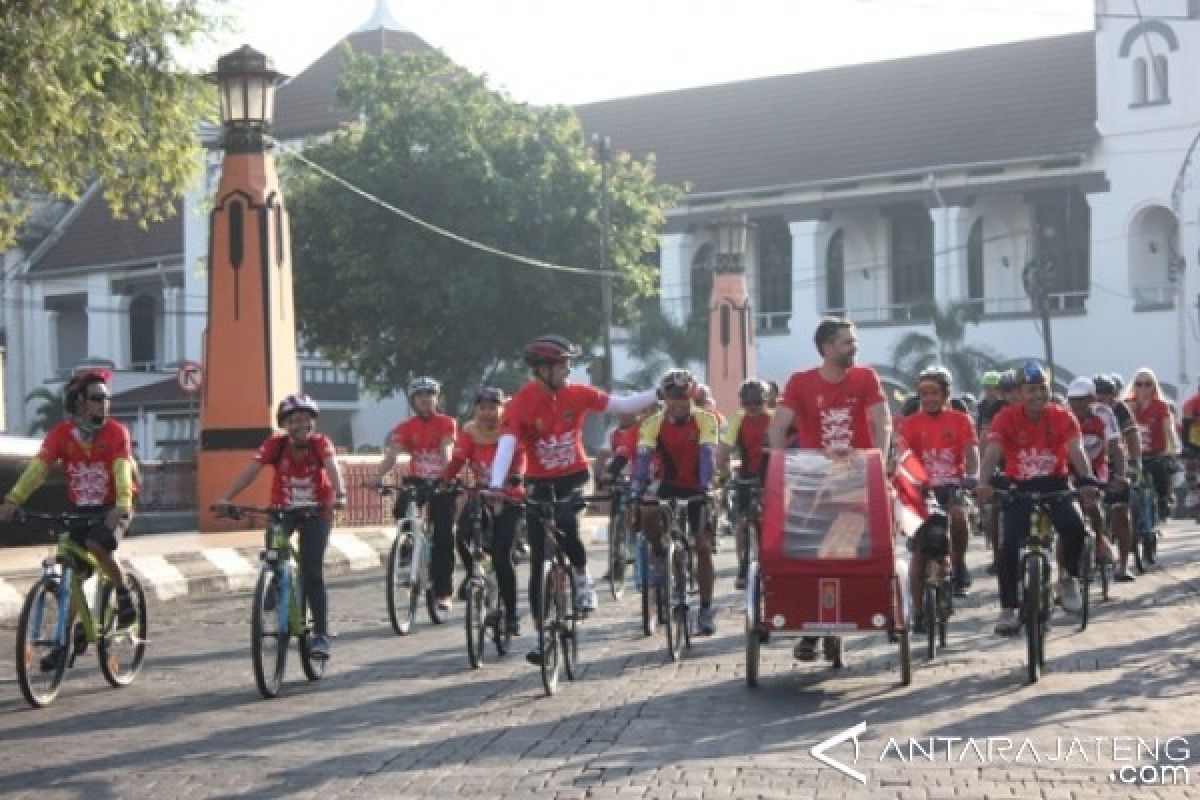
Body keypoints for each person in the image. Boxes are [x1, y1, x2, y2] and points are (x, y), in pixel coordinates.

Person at [488, 334, 657, 664]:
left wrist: (659, 392)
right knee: (539, 559)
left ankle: (581, 578)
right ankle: (540, 636)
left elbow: (622, 405)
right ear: (542, 369)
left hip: (574, 475)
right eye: (563, 363)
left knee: (566, 522)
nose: (569, 368)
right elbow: (507, 444)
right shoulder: (522, 401)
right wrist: (496, 484)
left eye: (568, 362)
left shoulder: (578, 394)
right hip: (539, 480)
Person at [767, 317, 891, 662]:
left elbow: (882, 421)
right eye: (846, 342)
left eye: (854, 341)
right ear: (827, 348)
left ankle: (848, 617)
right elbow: (779, 426)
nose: (854, 347)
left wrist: (878, 464)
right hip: (813, 482)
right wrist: (780, 470)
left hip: (857, 480)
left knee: (852, 551)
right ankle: (811, 629)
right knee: (807, 553)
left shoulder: (866, 378)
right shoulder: (801, 382)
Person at [0, 369, 139, 671]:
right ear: (78, 403)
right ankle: (63, 644)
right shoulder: (60, 435)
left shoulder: (116, 432)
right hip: (82, 509)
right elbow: (37, 469)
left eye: (106, 398)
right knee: (72, 575)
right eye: (96, 399)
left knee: (96, 543)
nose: (104, 404)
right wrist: (13, 500)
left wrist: (123, 504)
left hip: (114, 506)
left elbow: (121, 471)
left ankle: (123, 592)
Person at [215, 393, 347, 658]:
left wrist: (340, 494)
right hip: (282, 511)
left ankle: (320, 635)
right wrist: (227, 497)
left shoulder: (321, 443)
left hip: (316, 512)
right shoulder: (276, 445)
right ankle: (273, 596)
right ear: (285, 425)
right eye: (295, 420)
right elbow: (251, 470)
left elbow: (332, 467)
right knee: (274, 559)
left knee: (311, 573)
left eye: (308, 420)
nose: (303, 426)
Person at [975, 361, 1100, 636]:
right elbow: (993, 452)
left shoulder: (1063, 416)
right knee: (1007, 545)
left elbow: (1076, 451)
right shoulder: (1005, 418)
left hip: (1055, 484)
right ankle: (1008, 608)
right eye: (1031, 390)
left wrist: (1087, 480)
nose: (1037, 396)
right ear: (1020, 392)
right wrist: (983, 483)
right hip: (1017, 487)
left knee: (1075, 526)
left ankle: (1068, 578)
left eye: (1042, 389)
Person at [633, 369, 720, 634]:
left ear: (691, 397)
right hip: (669, 484)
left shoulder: (706, 420)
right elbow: (644, 458)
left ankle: (705, 609)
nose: (679, 406)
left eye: (684, 400)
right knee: (647, 510)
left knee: (702, 546)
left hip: (696, 485)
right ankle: (661, 554)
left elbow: (707, 456)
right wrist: (638, 487)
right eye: (673, 400)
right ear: (665, 399)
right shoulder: (652, 423)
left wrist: (705, 486)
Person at [440, 387, 524, 634]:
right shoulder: (469, 432)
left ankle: (511, 615)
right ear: (475, 410)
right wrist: (444, 479)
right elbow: (457, 460)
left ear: (502, 410)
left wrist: (517, 476)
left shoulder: (510, 431)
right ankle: (475, 573)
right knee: (462, 536)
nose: (487, 413)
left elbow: (520, 458)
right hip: (480, 495)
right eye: (482, 408)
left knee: (501, 554)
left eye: (493, 408)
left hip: (509, 498)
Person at [895, 366, 980, 609]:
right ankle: (919, 613)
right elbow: (903, 456)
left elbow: (971, 451)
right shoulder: (909, 424)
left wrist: (972, 475)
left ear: (946, 395)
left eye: (935, 393)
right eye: (924, 393)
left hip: (953, 486)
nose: (930, 398)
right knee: (920, 551)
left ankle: (958, 563)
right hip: (920, 491)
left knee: (958, 517)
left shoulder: (961, 420)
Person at [375, 376, 458, 612]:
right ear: (413, 401)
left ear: (436, 398)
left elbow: (447, 451)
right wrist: (376, 477)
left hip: (442, 481)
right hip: (418, 481)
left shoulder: (446, 422)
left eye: (429, 395)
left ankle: (443, 592)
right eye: (420, 396)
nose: (425, 400)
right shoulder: (405, 427)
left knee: (443, 537)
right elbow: (392, 456)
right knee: (401, 508)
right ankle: (408, 547)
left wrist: (447, 476)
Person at [717, 379, 773, 589]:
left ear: (766, 401)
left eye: (757, 403)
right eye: (747, 403)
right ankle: (742, 564)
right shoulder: (737, 420)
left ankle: (772, 561)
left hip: (772, 476)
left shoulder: (775, 419)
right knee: (742, 522)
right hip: (747, 475)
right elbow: (724, 448)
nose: (752, 408)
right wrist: (720, 473)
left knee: (771, 523)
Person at [1065, 377, 1122, 570]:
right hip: (1069, 467)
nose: (1077, 404)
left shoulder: (1104, 413)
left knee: (1092, 502)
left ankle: (1100, 540)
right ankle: (1064, 576)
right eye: (1072, 400)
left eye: (1082, 399)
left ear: (1092, 399)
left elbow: (1115, 446)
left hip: (1098, 466)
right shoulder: (1063, 415)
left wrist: (1121, 475)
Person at [1093, 373, 1140, 581]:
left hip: (1115, 463)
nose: (1104, 400)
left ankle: (1122, 565)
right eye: (1099, 396)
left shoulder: (1120, 409)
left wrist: (1135, 462)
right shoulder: (1083, 410)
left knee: (1121, 513)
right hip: (1090, 465)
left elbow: (1131, 436)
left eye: (1108, 396)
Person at [1125, 367, 1180, 522]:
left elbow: (1169, 430)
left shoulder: (1161, 406)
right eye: (1139, 384)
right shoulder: (1126, 405)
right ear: (1134, 385)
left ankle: (1164, 501)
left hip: (1156, 453)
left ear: (1154, 386)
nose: (1143, 388)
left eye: (1148, 384)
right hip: (1133, 455)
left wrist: (1173, 449)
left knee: (1161, 470)